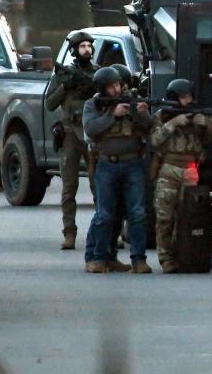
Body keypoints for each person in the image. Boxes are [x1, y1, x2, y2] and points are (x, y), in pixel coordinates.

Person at [82, 67, 153, 274]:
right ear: (103, 89)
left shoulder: (132, 100)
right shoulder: (92, 105)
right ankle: (99, 257)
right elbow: (91, 129)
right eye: (112, 87)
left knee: (137, 213)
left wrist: (142, 114)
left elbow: (149, 128)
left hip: (133, 164)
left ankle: (138, 259)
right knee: (104, 214)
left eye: (118, 85)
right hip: (106, 164)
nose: (117, 89)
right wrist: (113, 115)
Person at [151, 79, 212, 274]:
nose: (188, 100)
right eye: (183, 97)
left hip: (190, 170)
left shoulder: (198, 116)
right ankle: (166, 258)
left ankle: (184, 254)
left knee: (187, 216)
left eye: (189, 97)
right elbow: (154, 140)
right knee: (164, 216)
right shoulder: (162, 116)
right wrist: (172, 124)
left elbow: (211, 139)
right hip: (169, 169)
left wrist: (206, 124)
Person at [44, 30, 99, 250]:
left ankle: (107, 231)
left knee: (99, 185)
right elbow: (50, 103)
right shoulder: (64, 75)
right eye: (82, 46)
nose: (86, 49)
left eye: (89, 46)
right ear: (75, 50)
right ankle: (69, 232)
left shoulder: (98, 74)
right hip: (69, 135)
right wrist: (65, 86)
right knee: (69, 188)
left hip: (92, 134)